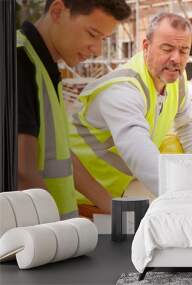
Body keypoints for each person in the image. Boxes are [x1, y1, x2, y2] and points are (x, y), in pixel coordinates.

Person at [69, 12, 192, 217]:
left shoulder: (177, 78)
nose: (176, 58)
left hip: (123, 191)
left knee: (173, 145)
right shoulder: (123, 89)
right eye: (167, 48)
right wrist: (189, 206)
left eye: (184, 50)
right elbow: (140, 155)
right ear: (146, 46)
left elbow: (188, 127)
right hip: (84, 198)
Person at [17, 0, 131, 219]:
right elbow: (23, 171)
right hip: (39, 242)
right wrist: (59, 235)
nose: (97, 50)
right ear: (58, 11)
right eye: (92, 34)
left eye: (103, 39)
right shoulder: (19, 62)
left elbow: (58, 152)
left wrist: (112, 208)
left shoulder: (44, 66)